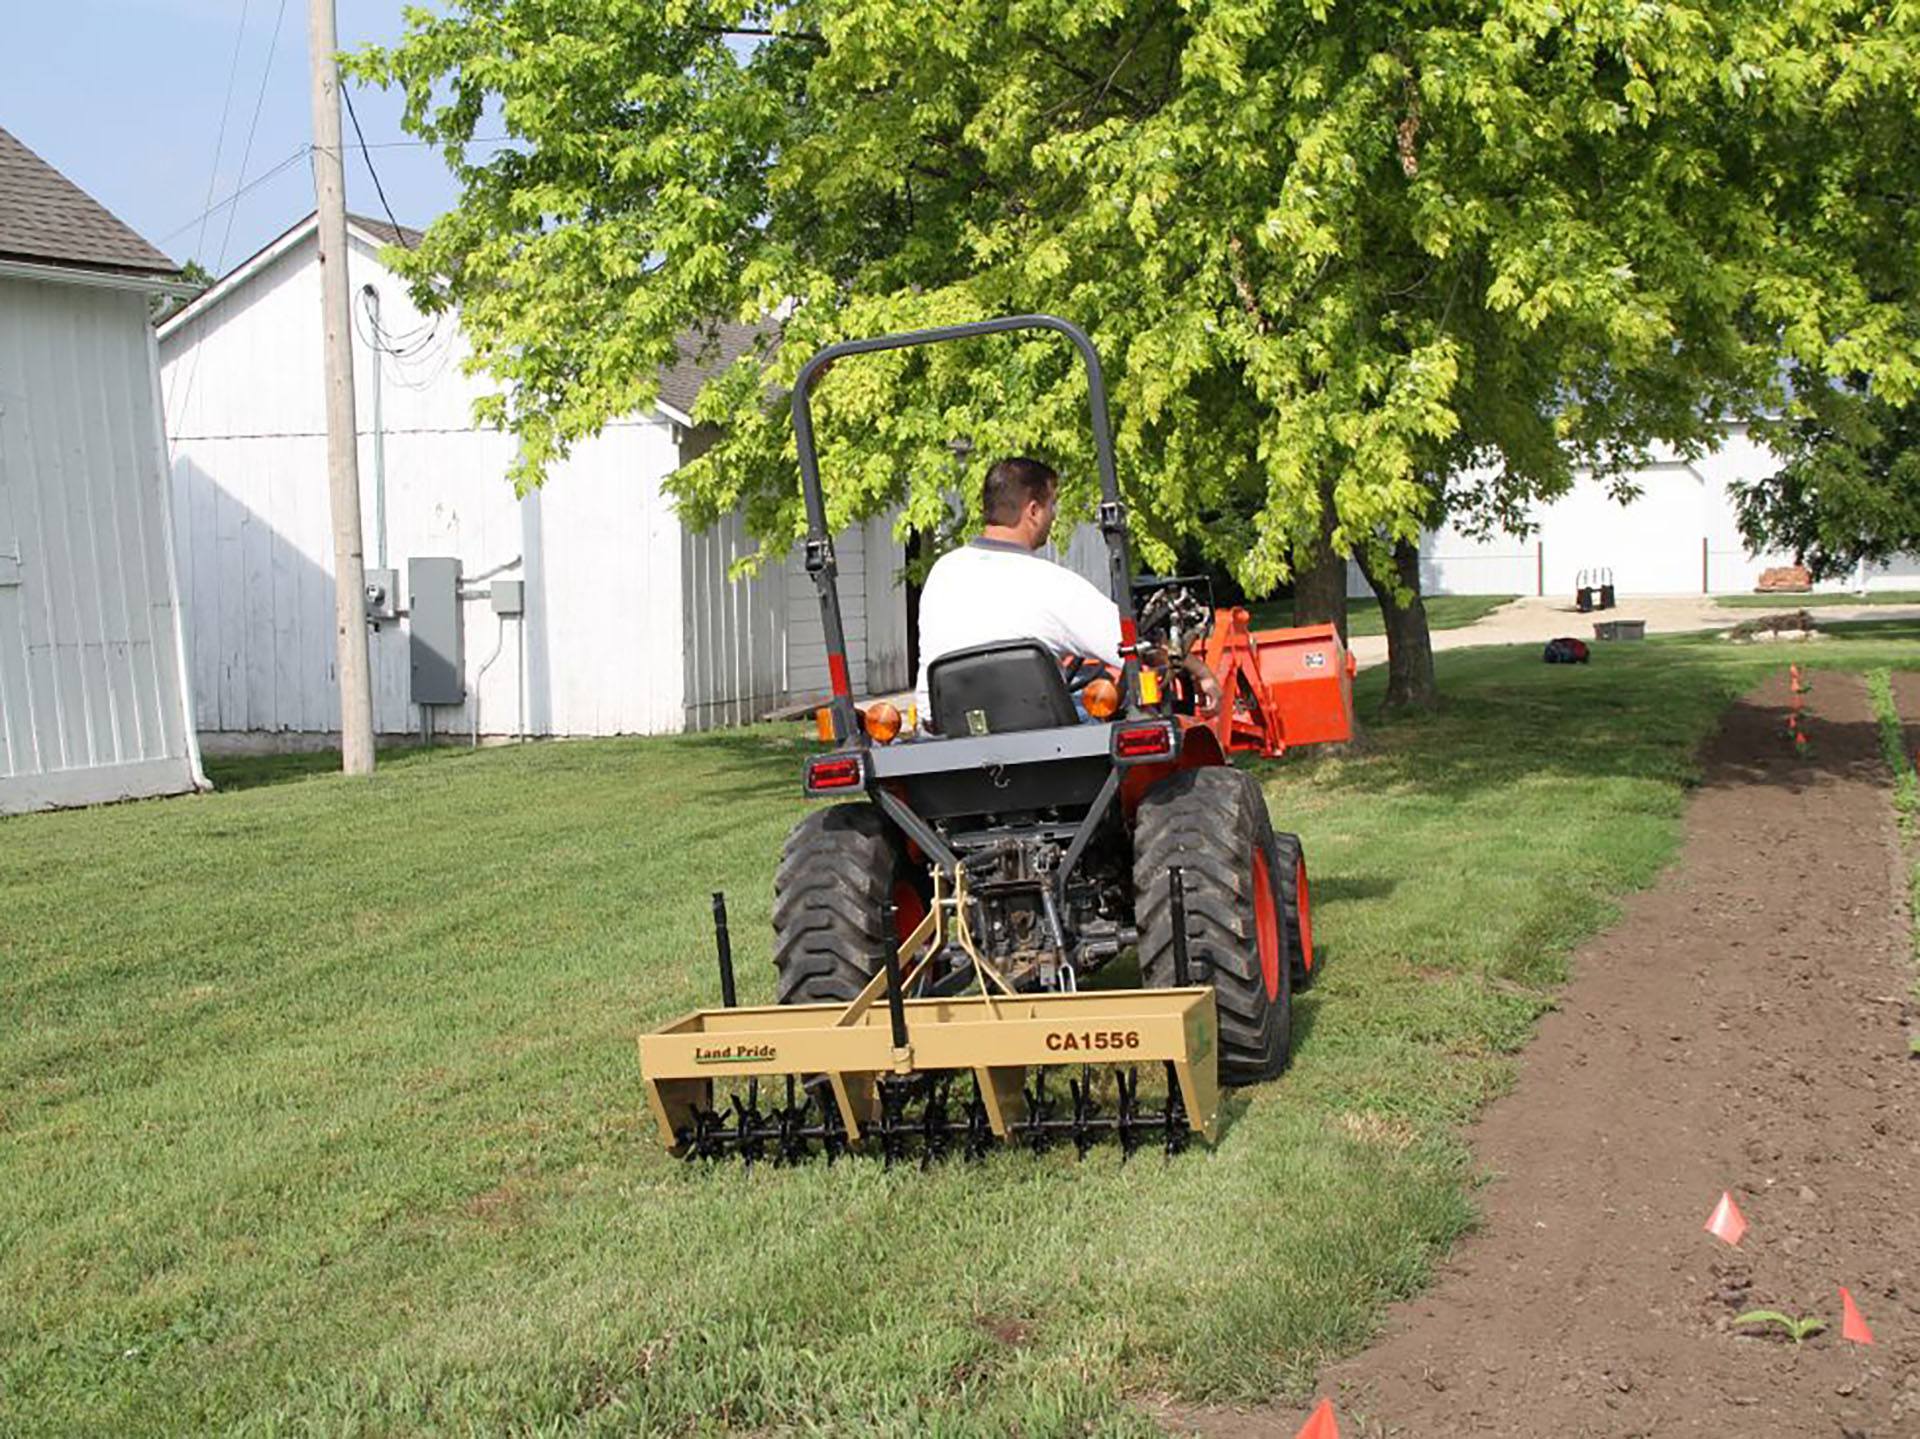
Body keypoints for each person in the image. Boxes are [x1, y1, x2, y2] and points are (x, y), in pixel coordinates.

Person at [912, 456, 1219, 725]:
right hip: (1040, 741)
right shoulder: (1049, 583)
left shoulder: (943, 572)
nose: (1054, 514)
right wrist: (1198, 669)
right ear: (1033, 510)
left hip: (944, 731)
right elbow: (1135, 646)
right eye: (1052, 504)